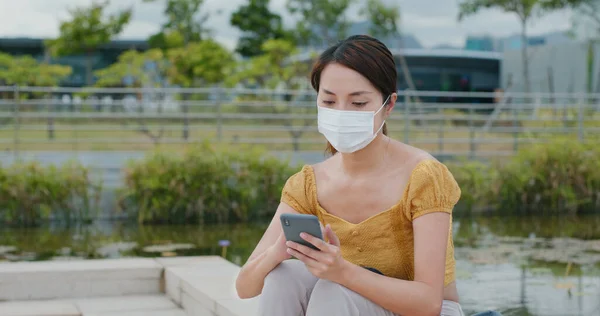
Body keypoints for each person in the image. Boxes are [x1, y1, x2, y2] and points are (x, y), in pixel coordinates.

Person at [235, 35, 465, 316]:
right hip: (344, 304)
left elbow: (429, 303)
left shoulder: (423, 176)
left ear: (389, 105)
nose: (341, 113)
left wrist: (342, 272)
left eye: (358, 104)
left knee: (334, 289)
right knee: (284, 276)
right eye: (329, 101)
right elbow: (245, 286)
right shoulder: (307, 184)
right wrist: (277, 254)